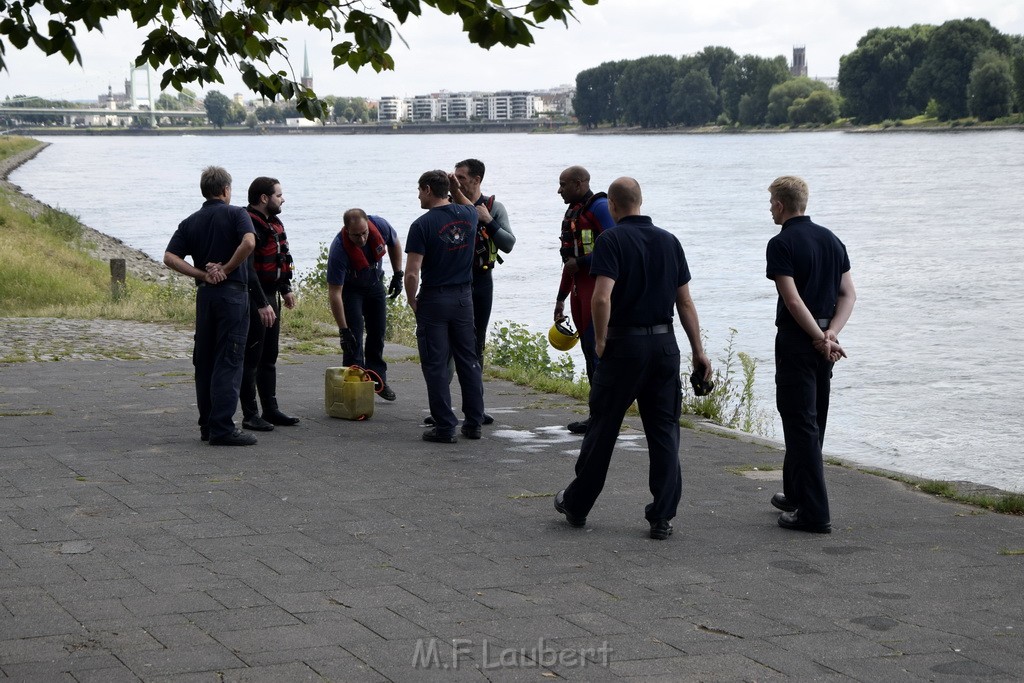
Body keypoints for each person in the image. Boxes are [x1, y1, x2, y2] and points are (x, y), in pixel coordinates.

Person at [554, 177, 711, 540]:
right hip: (664, 346)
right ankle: (662, 516)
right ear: (640, 201)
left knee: (603, 427)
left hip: (625, 346)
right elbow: (684, 302)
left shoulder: (611, 240)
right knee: (664, 431)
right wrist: (699, 352)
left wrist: (602, 340)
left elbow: (601, 297)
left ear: (612, 204)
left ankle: (577, 505)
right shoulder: (670, 241)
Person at [765, 175, 856, 534]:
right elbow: (848, 293)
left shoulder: (781, 243)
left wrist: (819, 337)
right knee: (812, 420)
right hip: (824, 341)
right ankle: (795, 493)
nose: (769, 207)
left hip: (798, 339)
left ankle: (814, 513)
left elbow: (792, 299)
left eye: (771, 201)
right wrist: (832, 332)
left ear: (781, 205)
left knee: (799, 422)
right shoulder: (831, 240)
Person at [163, 166, 257, 446]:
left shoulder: (191, 221)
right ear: (226, 190)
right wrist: (227, 268)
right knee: (229, 358)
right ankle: (222, 428)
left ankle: (207, 425)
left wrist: (202, 275)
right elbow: (249, 242)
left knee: (204, 361)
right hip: (233, 296)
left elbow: (170, 257)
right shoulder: (237, 213)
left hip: (205, 296)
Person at [404, 170, 486, 443]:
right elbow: (468, 204)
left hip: (435, 298)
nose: (418, 196)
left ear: (427, 189)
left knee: (436, 364)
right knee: (468, 360)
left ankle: (445, 426)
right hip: (464, 297)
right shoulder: (470, 215)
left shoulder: (421, 225)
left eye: (419, 190)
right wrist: (455, 186)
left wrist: (411, 298)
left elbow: (413, 272)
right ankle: (474, 423)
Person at [553, 165, 615, 434]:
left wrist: (584, 262)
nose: (559, 190)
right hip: (579, 295)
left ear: (579, 184)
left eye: (563, 185)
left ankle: (602, 418)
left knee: (598, 356)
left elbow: (616, 245)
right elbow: (570, 263)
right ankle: (597, 416)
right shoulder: (573, 213)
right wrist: (560, 298)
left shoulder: (599, 208)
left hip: (595, 294)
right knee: (590, 356)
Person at [237, 176, 300, 432]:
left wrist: (285, 288)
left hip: (272, 294)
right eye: (278, 195)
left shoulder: (274, 222)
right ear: (264, 198)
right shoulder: (248, 223)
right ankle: (250, 414)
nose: (282, 198)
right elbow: (248, 269)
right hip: (254, 298)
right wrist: (262, 303)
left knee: (270, 355)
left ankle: (271, 409)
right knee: (252, 356)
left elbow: (281, 257)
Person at [327, 208, 404, 400]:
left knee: (377, 333)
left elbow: (394, 244)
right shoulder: (339, 250)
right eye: (356, 235)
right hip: (351, 291)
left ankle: (378, 379)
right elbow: (335, 293)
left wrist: (398, 274)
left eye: (364, 233)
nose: (361, 239)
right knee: (353, 339)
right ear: (346, 230)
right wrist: (343, 330)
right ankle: (354, 387)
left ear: (368, 226)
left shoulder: (380, 225)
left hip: (374, 284)